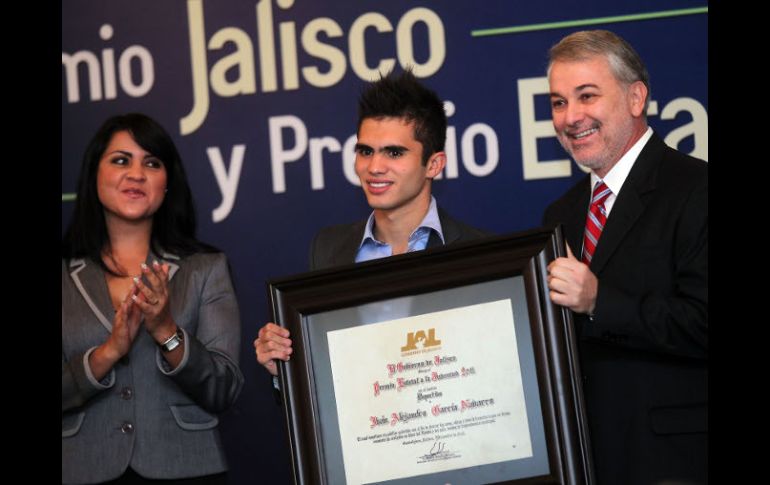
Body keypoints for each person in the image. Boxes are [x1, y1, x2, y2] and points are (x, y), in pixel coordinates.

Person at [542, 30, 707, 484]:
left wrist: (599, 301)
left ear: (636, 98)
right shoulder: (560, 214)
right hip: (585, 462)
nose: (571, 117)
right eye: (558, 102)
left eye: (587, 96)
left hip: (675, 463)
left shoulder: (695, 189)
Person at [255, 69, 489, 377]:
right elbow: (325, 369)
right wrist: (284, 369)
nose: (374, 167)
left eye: (394, 152)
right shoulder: (327, 249)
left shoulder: (479, 252)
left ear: (434, 164)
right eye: (365, 151)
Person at [62, 113, 244, 484]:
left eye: (151, 163)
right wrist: (108, 352)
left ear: (167, 183)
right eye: (120, 160)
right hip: (84, 470)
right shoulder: (65, 276)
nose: (136, 174)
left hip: (186, 469)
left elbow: (223, 388)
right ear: (94, 174)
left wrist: (166, 332)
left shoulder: (205, 268)